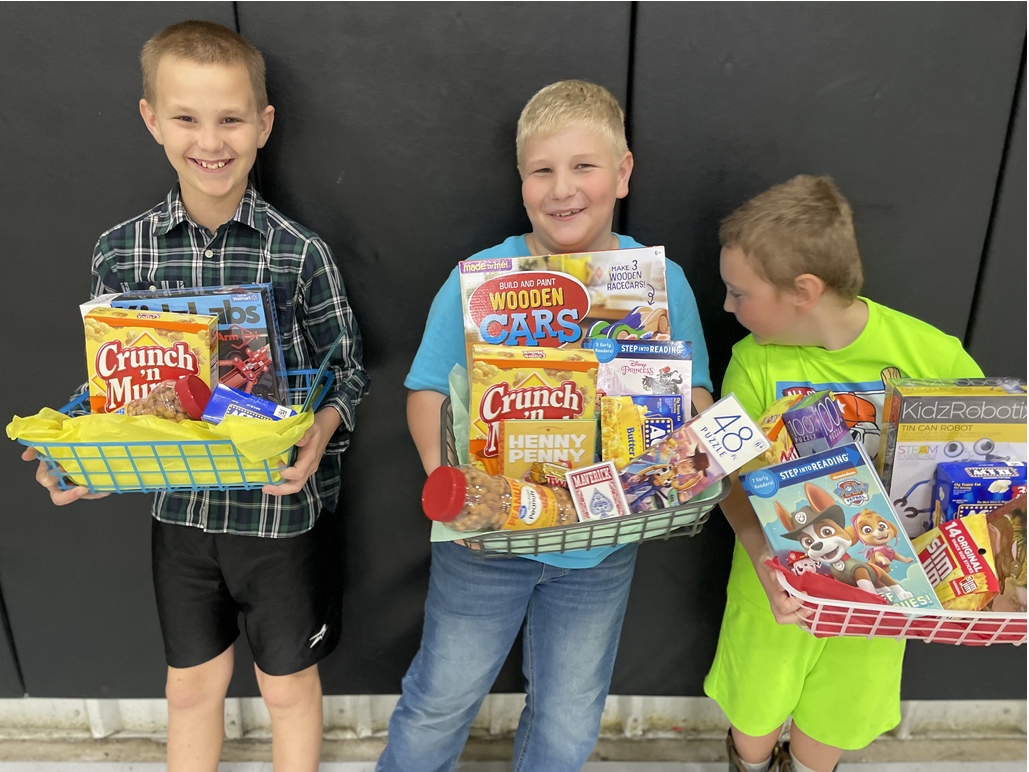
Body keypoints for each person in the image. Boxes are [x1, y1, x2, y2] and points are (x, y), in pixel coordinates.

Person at [21, 21, 369, 772]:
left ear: (263, 126)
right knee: (188, 689)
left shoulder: (298, 251)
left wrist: (321, 431)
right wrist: (75, 454)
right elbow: (110, 383)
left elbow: (347, 370)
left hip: (280, 517)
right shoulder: (121, 250)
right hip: (178, 516)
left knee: (286, 692)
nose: (210, 140)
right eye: (186, 117)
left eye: (231, 118)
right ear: (151, 119)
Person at [378, 80, 714, 772]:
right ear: (521, 179)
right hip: (485, 544)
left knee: (567, 716)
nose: (562, 189)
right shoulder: (480, 276)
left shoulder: (662, 283)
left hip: (599, 546)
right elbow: (424, 391)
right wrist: (452, 485)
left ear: (622, 172)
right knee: (441, 696)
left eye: (583, 166)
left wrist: (695, 454)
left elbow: (696, 397)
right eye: (542, 170)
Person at [703, 175, 983, 772]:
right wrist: (758, 553)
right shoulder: (752, 362)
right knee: (754, 714)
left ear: (803, 290)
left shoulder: (933, 356)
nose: (727, 307)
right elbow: (730, 474)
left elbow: (987, 472)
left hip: (887, 597)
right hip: (777, 592)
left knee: (835, 720)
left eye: (738, 293)